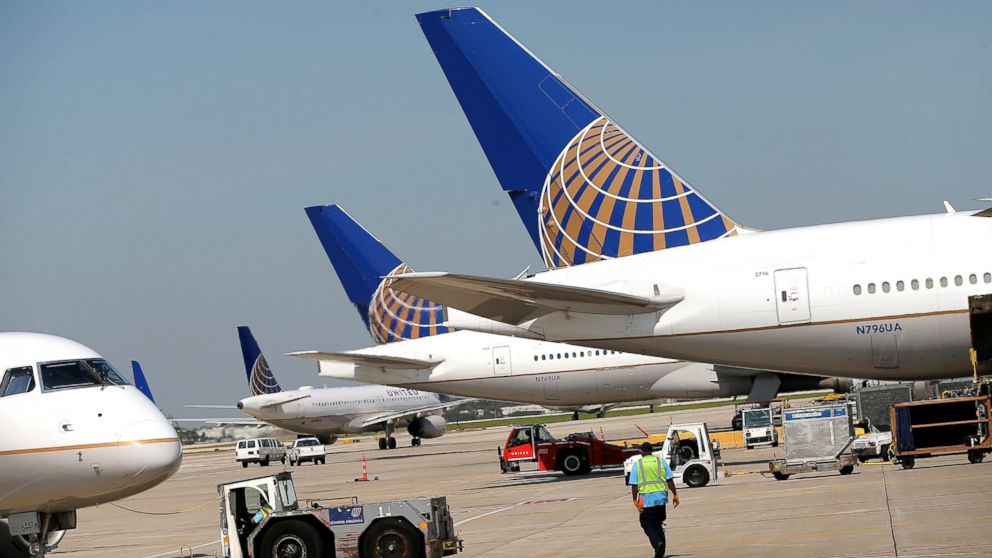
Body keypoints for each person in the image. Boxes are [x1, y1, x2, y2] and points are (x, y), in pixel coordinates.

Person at [629, 442, 679, 558]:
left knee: (646, 524)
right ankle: (660, 551)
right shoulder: (660, 462)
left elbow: (634, 485)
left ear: (641, 452)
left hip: (646, 499)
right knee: (658, 523)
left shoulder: (638, 464)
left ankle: (658, 543)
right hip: (661, 498)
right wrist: (675, 494)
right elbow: (669, 480)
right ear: (652, 451)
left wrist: (634, 500)